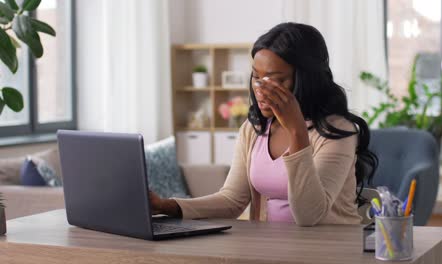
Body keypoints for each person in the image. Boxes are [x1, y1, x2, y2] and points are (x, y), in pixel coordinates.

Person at [150, 22, 378, 226]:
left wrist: (298, 131)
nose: (261, 89)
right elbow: (232, 200)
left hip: (327, 252)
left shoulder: (337, 132)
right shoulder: (254, 129)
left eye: (276, 80)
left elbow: (310, 216)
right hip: (270, 251)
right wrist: (167, 206)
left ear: (306, 79)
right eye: (257, 77)